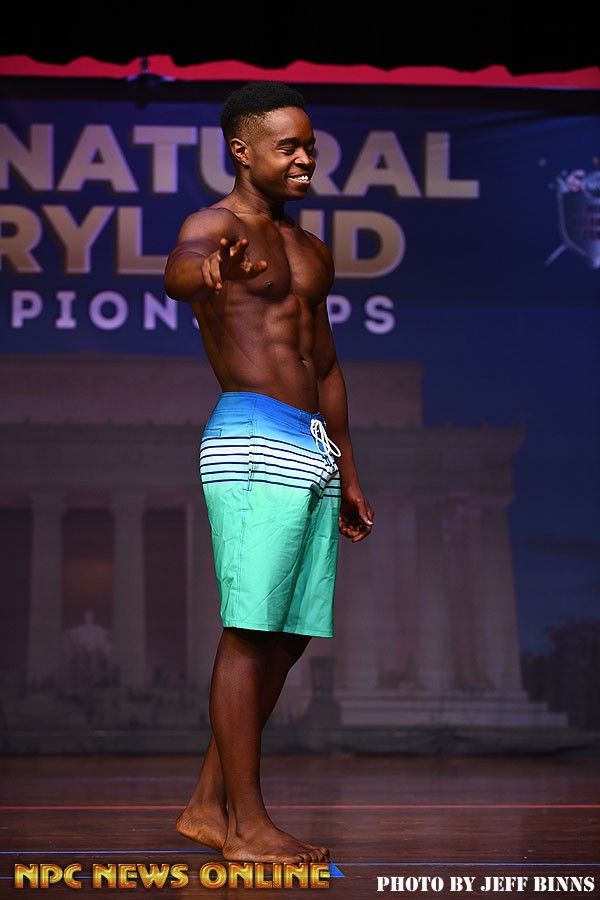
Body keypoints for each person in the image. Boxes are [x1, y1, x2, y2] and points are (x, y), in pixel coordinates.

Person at [164, 81, 374, 865]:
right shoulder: (213, 225)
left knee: (289, 636)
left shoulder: (311, 249)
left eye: (310, 146)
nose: (305, 159)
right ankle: (247, 825)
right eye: (288, 147)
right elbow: (181, 270)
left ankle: (205, 805)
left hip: (311, 443)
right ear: (242, 151)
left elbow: (327, 363)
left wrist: (348, 466)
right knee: (250, 631)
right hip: (251, 435)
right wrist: (202, 274)